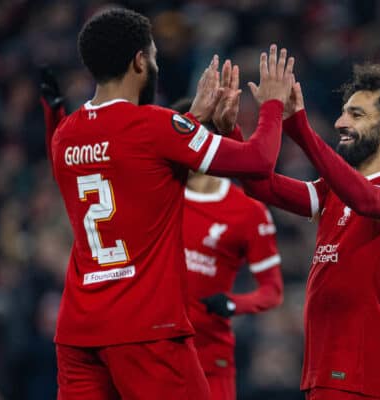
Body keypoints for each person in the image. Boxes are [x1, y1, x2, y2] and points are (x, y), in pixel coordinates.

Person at [41, 7, 294, 399]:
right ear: (139, 61)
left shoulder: (65, 135)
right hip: (146, 329)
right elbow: (258, 161)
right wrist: (273, 105)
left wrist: (190, 121)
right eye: (154, 55)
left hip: (78, 332)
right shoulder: (154, 127)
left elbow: (133, 169)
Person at [238, 64, 380, 400]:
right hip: (326, 362)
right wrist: (234, 130)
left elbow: (368, 201)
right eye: (344, 113)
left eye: (356, 115)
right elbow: (262, 186)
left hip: (361, 365)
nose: (340, 123)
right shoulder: (333, 191)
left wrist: (299, 127)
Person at [170, 96, 284, 400]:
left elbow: (272, 291)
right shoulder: (160, 194)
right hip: (155, 349)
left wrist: (233, 304)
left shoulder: (248, 211)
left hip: (211, 354)